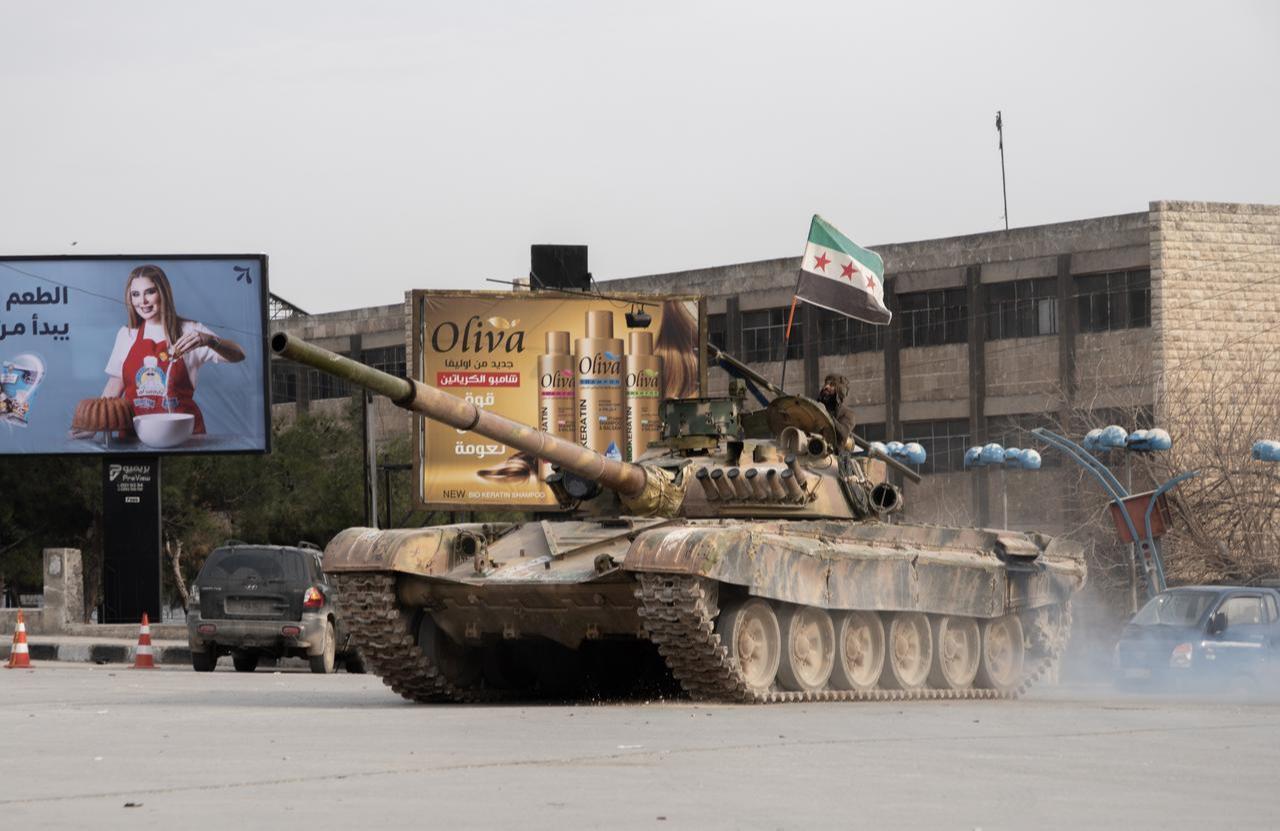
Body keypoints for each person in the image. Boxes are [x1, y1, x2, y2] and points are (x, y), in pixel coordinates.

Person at [99, 264, 245, 434]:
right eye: (136, 294)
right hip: (136, 436)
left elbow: (239, 355)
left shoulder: (191, 331)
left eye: (150, 292)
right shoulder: (127, 334)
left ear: (163, 292)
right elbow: (116, 383)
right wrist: (92, 423)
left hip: (182, 436)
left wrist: (210, 341)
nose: (142, 301)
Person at [817, 373, 857, 447]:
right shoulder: (816, 408)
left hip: (833, 455)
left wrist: (826, 415)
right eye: (826, 384)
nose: (826, 387)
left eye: (832, 385)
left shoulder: (848, 414)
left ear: (840, 390)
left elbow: (843, 434)